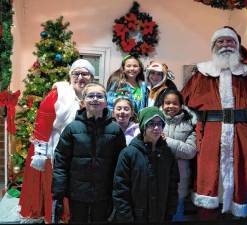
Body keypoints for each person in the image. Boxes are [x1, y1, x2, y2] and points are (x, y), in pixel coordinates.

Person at [181, 26, 247, 219]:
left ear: (238, 45)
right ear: (213, 46)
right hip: (210, 141)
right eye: (220, 41)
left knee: (243, 182)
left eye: (229, 41)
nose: (225, 45)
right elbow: (183, 105)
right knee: (211, 183)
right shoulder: (201, 75)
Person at [19, 59, 95, 223]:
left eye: (85, 74)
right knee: (55, 185)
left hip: (80, 149)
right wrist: (40, 152)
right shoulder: (59, 93)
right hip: (55, 147)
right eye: (76, 73)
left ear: (92, 77)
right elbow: (42, 121)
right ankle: (57, 215)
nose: (80, 77)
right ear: (70, 76)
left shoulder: (92, 95)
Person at [52, 82, 126, 223]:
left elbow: (121, 165)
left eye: (99, 96)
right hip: (77, 193)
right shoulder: (72, 129)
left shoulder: (115, 130)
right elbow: (61, 162)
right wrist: (58, 193)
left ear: (106, 101)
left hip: (104, 192)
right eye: (90, 96)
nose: (95, 99)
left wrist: (119, 191)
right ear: (83, 101)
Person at [112, 106, 179, 223]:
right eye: (151, 124)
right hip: (135, 217)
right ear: (143, 126)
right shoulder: (129, 153)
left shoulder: (167, 153)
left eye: (160, 124)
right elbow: (120, 190)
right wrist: (127, 218)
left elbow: (172, 187)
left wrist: (170, 213)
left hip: (160, 216)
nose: (156, 128)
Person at [159, 89, 197, 221]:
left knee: (177, 212)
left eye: (175, 103)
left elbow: (190, 151)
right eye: (167, 103)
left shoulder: (189, 124)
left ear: (181, 105)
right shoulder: (155, 121)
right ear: (162, 104)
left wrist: (166, 141)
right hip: (158, 176)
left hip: (180, 178)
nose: (170, 106)